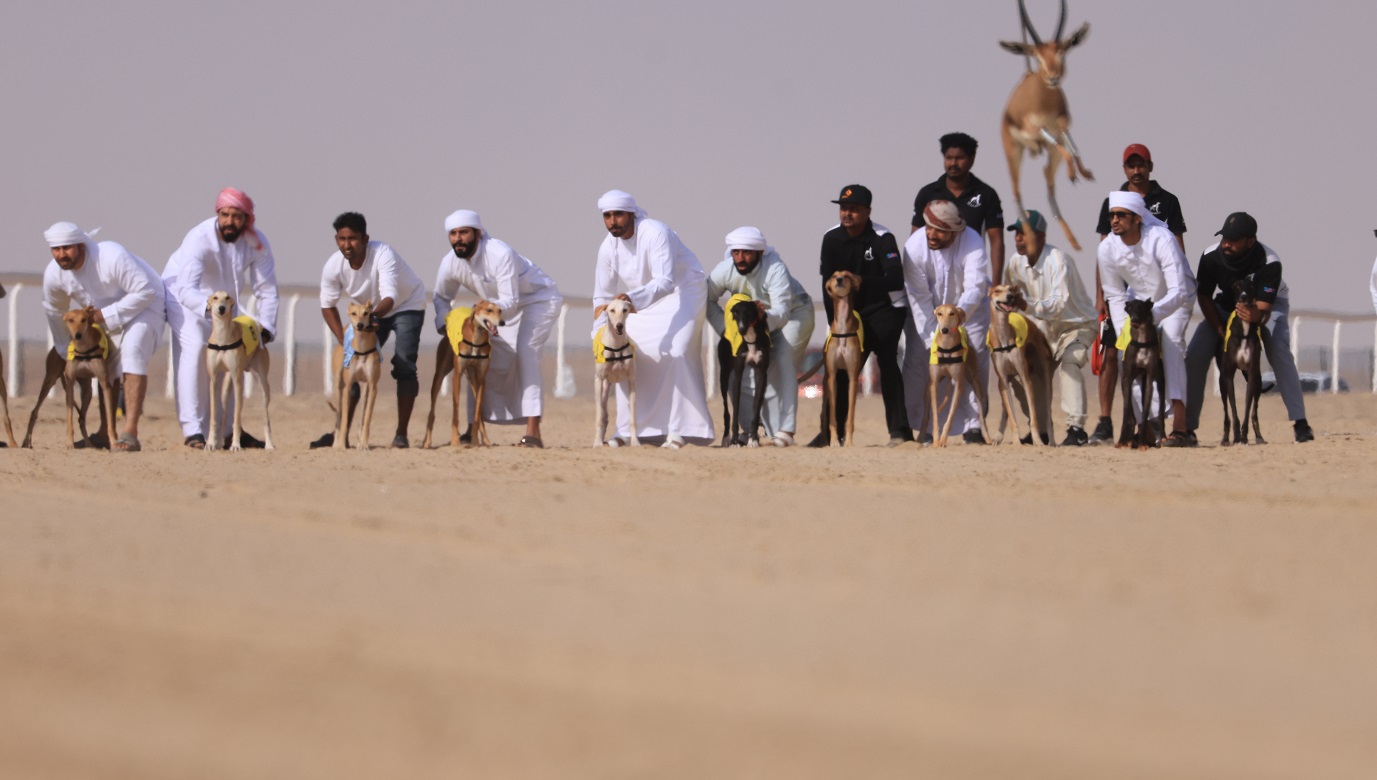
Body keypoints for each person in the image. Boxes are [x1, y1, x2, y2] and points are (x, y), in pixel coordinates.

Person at [592, 191, 713, 448]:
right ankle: (627, 431)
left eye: (618, 215)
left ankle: (680, 430)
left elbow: (665, 282)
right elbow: (601, 295)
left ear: (631, 214)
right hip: (640, 301)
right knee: (624, 355)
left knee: (677, 351)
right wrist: (598, 333)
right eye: (608, 216)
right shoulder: (607, 248)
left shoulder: (656, 232)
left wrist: (632, 299)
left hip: (683, 293)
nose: (613, 221)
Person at [433, 209, 564, 447]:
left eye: (464, 232)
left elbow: (511, 301)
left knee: (526, 353)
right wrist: (444, 322)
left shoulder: (498, 253)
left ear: (477, 233)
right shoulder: (450, 263)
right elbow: (441, 297)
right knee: (478, 358)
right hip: (494, 312)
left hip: (537, 300)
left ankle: (533, 432)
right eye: (453, 234)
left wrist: (481, 309)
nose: (458, 238)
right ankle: (472, 429)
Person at [163, 187, 279, 449]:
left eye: (236, 216)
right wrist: (209, 310)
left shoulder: (256, 242)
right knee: (196, 349)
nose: (229, 221)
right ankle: (194, 432)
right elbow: (185, 288)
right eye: (224, 215)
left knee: (231, 357)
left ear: (246, 218)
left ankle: (227, 432)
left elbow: (266, 288)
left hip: (226, 300)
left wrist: (267, 326)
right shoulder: (199, 238)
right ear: (217, 213)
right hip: (184, 296)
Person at [1184, 212, 1313, 443]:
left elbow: (1262, 309)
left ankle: (1300, 423)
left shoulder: (1269, 261)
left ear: (1250, 241)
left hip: (1266, 306)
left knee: (1277, 347)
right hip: (1225, 304)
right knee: (1195, 354)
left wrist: (1254, 316)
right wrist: (1219, 329)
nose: (1226, 243)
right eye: (1224, 237)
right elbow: (1204, 295)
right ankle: (1187, 428)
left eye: (1233, 240)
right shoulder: (1211, 256)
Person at [1090, 144, 1188, 444]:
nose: (1115, 221)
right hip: (1136, 305)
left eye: (1121, 215)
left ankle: (1181, 428)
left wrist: (1151, 317)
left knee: (1169, 344)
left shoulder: (1161, 239)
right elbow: (1115, 295)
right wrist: (1127, 329)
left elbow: (1179, 288)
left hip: (1174, 302)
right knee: (1126, 353)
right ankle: (1149, 424)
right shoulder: (1107, 248)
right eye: (1112, 216)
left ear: (1137, 218)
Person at [41, 222, 166, 452]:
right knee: (105, 365)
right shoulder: (54, 274)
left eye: (67, 248)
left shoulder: (110, 256)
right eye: (56, 249)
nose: (61, 255)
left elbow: (146, 291)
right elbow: (54, 311)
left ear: (81, 245)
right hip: (102, 317)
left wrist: (106, 314)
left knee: (131, 352)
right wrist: (66, 350)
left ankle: (129, 433)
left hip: (146, 304)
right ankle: (104, 432)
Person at [310, 212, 427, 449]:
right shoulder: (334, 265)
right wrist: (344, 340)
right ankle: (341, 433)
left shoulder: (383, 254)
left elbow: (390, 296)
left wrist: (373, 318)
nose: (347, 245)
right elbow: (327, 305)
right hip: (368, 313)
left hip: (405, 305)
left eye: (353, 239)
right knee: (350, 364)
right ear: (336, 239)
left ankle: (401, 433)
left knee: (404, 363)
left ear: (365, 239)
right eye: (342, 239)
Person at [812, 185, 910, 446]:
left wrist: (861, 281)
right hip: (847, 315)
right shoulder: (831, 239)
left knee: (887, 361)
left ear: (867, 211)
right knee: (838, 372)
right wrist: (835, 323)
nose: (847, 214)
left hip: (884, 309)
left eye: (854, 209)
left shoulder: (882, 237)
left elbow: (896, 280)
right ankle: (830, 433)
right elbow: (827, 284)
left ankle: (899, 432)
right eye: (844, 208)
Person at [705, 226, 815, 447]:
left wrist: (763, 318)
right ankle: (750, 429)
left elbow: (782, 312)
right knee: (740, 372)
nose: (741, 258)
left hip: (794, 315)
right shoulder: (724, 270)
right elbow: (705, 299)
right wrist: (728, 331)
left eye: (746, 253)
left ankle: (784, 431)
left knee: (781, 360)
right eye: (736, 253)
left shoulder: (775, 268)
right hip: (751, 322)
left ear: (759, 253)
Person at [1001, 210, 1098, 445]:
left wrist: (1026, 305)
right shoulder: (1015, 263)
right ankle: (1041, 428)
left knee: (1070, 360)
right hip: (1041, 330)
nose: (1019, 239)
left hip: (1075, 325)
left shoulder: (1058, 261)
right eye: (1016, 234)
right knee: (1019, 372)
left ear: (1041, 236)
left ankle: (1076, 430)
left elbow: (1057, 305)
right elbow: (1007, 297)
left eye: (1024, 234)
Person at [902, 200, 991, 444]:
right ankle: (926, 428)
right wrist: (937, 338)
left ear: (954, 231)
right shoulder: (914, 247)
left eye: (939, 230)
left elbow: (975, 286)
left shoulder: (972, 241)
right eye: (928, 227)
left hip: (968, 312)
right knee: (919, 362)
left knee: (977, 358)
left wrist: (956, 322)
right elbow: (919, 298)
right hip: (929, 314)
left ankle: (974, 426)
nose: (931, 234)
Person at [913, 133, 1007, 283]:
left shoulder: (986, 194)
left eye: (959, 158)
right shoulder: (928, 193)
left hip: (970, 271)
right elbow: (916, 239)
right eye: (949, 158)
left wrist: (996, 283)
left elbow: (996, 241)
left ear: (972, 159)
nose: (953, 163)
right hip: (934, 275)